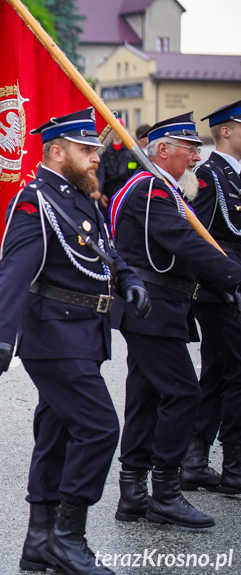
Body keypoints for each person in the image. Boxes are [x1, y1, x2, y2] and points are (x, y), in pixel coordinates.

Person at [0, 108, 148, 575]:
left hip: (83, 334)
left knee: (55, 436)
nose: (96, 157)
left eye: (95, 149)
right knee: (99, 429)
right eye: (86, 150)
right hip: (53, 336)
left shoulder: (82, 196)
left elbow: (105, 248)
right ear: (57, 152)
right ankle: (68, 539)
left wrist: (128, 277)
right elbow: (16, 270)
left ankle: (39, 541)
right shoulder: (37, 201)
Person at [110, 112, 241, 529]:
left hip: (160, 307)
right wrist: (233, 273)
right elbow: (183, 243)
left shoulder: (164, 188)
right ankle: (165, 492)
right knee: (184, 394)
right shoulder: (152, 189)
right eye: (190, 149)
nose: (196, 158)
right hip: (152, 308)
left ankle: (133, 492)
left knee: (147, 397)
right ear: (163, 150)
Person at [182, 99, 241, 495]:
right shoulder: (209, 177)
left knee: (220, 372)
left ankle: (194, 460)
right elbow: (194, 236)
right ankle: (234, 466)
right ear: (226, 130)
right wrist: (219, 285)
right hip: (222, 289)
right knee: (236, 372)